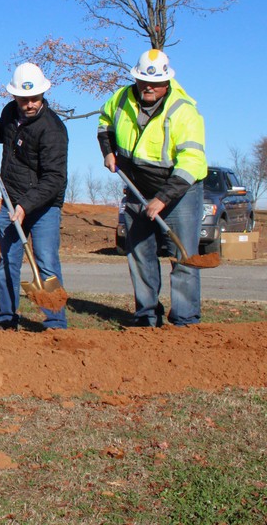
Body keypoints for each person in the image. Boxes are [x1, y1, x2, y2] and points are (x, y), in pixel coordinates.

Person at [98, 48, 207, 327]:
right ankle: (147, 316)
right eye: (143, 81)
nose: (148, 87)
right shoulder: (121, 97)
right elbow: (105, 121)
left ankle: (184, 319)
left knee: (183, 256)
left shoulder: (184, 112)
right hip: (136, 187)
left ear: (167, 81)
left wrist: (162, 198)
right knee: (140, 255)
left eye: (156, 83)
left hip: (179, 191)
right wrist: (108, 151)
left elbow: (192, 163)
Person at [0, 62, 69, 331]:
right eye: (24, 99)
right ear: (14, 96)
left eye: (34, 98)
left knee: (46, 262)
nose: (29, 104)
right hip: (10, 200)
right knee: (8, 262)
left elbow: (54, 179)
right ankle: (6, 318)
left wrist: (26, 205)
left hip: (44, 206)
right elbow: (4, 132)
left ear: (43, 95)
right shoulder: (10, 112)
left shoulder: (53, 130)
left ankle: (56, 323)